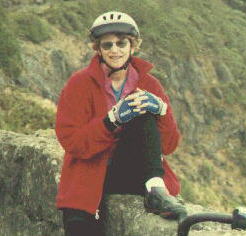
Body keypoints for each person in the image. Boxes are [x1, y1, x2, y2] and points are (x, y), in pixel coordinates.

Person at [55, 11, 187, 236]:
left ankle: (156, 190)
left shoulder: (149, 84)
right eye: (107, 45)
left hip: (131, 173)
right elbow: (72, 142)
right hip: (89, 177)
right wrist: (111, 121)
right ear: (98, 49)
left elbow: (168, 146)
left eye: (121, 43)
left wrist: (162, 112)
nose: (114, 50)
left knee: (142, 112)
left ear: (133, 46)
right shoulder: (79, 84)